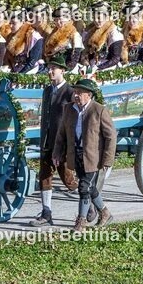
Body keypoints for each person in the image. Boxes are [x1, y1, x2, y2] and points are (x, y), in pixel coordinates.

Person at [53, 78, 116, 233]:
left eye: (80, 93)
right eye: (75, 92)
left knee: (84, 187)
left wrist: (107, 160)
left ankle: (81, 222)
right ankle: (105, 212)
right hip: (76, 155)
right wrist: (57, 153)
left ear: (89, 95)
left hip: (94, 158)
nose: (76, 95)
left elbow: (111, 136)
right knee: (90, 187)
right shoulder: (69, 109)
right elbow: (61, 134)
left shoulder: (99, 110)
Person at [30, 53, 78, 226]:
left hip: (61, 143)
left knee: (67, 179)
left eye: (53, 69)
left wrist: (66, 144)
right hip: (46, 140)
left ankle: (90, 202)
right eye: (49, 69)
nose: (50, 72)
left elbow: (74, 121)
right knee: (44, 175)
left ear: (62, 71)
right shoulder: (47, 91)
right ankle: (46, 212)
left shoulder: (70, 93)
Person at [81, 1, 124, 71]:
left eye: (99, 18)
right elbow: (86, 52)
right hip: (92, 65)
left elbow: (115, 59)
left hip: (109, 67)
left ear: (107, 17)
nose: (96, 21)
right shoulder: (91, 31)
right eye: (94, 18)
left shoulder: (114, 32)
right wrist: (85, 63)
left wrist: (98, 68)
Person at [42, 3, 83, 72]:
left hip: (65, 69)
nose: (58, 22)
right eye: (56, 20)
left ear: (68, 19)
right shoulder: (53, 33)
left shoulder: (75, 35)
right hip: (51, 67)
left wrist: (63, 70)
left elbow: (74, 60)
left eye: (60, 20)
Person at [4, 9, 40, 73]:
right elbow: (8, 59)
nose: (11, 26)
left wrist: (19, 74)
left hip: (30, 70)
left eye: (14, 23)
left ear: (22, 22)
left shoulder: (34, 36)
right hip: (14, 68)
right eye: (10, 23)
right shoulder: (9, 37)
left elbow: (32, 62)